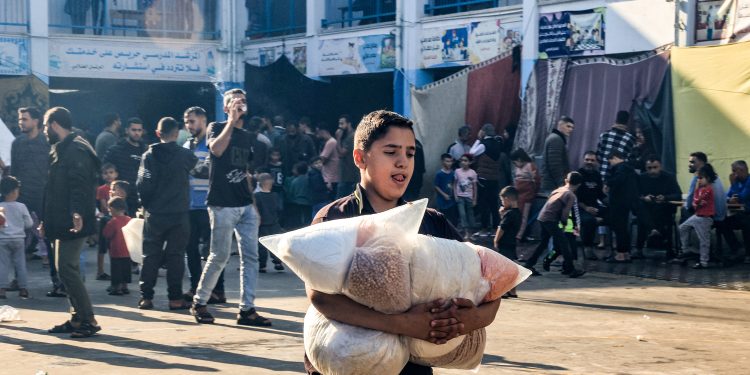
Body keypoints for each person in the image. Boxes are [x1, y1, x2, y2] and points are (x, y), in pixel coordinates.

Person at [304, 110, 501, 375]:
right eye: (391, 152)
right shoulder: (335, 218)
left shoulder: (432, 222)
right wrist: (406, 324)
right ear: (360, 158)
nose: (402, 162)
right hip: (348, 363)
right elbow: (321, 297)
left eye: (410, 153)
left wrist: (470, 319)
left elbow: (489, 282)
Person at [190, 89, 269, 327]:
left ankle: (247, 309)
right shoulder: (217, 127)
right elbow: (216, 150)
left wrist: (254, 205)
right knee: (220, 255)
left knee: (251, 257)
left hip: (245, 205)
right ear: (226, 108)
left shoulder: (248, 136)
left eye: (243, 101)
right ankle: (199, 302)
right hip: (222, 204)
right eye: (235, 102)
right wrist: (231, 123)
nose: (240, 104)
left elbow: (245, 171)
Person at [43, 106, 101, 338]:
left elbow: (80, 186)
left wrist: (77, 213)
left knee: (67, 267)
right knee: (65, 268)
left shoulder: (76, 149)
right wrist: (46, 219)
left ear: (55, 124)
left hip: (74, 220)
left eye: (47, 125)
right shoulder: (61, 149)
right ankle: (77, 317)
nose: (46, 130)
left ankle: (88, 319)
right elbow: (53, 189)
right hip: (60, 219)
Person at [136, 117, 198, 311]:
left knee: (150, 255)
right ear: (177, 133)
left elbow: (142, 185)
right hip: (179, 213)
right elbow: (197, 169)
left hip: (155, 213)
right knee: (176, 256)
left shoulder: (149, 156)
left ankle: (146, 297)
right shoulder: (186, 156)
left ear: (157, 133)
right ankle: (175, 298)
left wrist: (146, 206)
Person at [183, 106, 226, 304]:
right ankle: (195, 287)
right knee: (190, 249)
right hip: (190, 207)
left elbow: (208, 170)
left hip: (210, 205)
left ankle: (218, 290)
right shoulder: (186, 146)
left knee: (213, 251)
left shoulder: (212, 144)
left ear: (203, 120)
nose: (188, 125)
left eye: (192, 121)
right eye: (186, 122)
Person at [10, 107, 55, 294]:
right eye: (20, 119)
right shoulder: (17, 143)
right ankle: (15, 280)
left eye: (25, 119)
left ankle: (57, 280)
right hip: (22, 196)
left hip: (44, 195)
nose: (21, 122)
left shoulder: (47, 141)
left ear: (36, 121)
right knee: (14, 238)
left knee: (51, 237)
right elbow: (14, 172)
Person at [524, 172, 585, 278]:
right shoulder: (570, 195)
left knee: (543, 243)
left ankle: (529, 264)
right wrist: (564, 223)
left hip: (542, 217)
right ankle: (570, 269)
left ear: (566, 181)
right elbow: (565, 213)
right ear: (579, 184)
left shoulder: (558, 190)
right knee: (564, 243)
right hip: (551, 220)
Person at [681, 152, 727, 263]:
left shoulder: (699, 177)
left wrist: (691, 204)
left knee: (684, 212)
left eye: (692, 162)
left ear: (701, 163)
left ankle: (687, 249)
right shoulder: (716, 177)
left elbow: (691, 201)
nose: (689, 164)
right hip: (720, 216)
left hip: (709, 216)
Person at [636, 156, 682, 258]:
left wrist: (665, 197)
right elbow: (635, 194)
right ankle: (654, 230)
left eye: (655, 167)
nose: (652, 170)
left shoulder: (669, 177)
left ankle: (653, 231)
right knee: (641, 208)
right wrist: (644, 198)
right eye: (649, 168)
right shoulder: (641, 178)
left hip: (663, 208)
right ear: (645, 167)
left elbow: (678, 194)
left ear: (660, 166)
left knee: (658, 209)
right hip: (647, 209)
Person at [470, 124, 511, 236]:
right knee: (494, 204)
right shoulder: (498, 143)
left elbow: (471, 153)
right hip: (494, 178)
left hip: (483, 178)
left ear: (484, 132)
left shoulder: (484, 145)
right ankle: (495, 228)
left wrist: (478, 139)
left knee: (484, 204)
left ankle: (484, 228)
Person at [103, 118, 146, 215]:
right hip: (121, 200)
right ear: (127, 130)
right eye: (134, 130)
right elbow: (104, 171)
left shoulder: (146, 151)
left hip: (140, 198)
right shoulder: (115, 150)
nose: (137, 133)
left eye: (139, 130)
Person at [0, 176, 33, 299]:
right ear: (14, 191)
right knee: (20, 264)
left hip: (2, 239)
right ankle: (23, 289)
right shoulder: (21, 206)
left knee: (3, 265)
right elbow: (29, 223)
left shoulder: (0, 206)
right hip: (19, 239)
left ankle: (2, 290)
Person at [679, 164, 717, 269]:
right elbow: (695, 202)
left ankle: (703, 261)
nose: (699, 180)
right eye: (698, 178)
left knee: (704, 240)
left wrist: (697, 202)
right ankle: (686, 250)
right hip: (697, 215)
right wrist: (697, 201)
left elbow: (699, 201)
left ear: (708, 178)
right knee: (682, 228)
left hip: (705, 217)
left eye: (701, 178)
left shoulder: (709, 189)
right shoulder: (699, 189)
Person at [604, 151, 640, 263]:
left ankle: (620, 254)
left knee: (619, 228)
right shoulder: (630, 169)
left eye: (610, 161)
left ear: (614, 158)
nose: (610, 164)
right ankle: (626, 253)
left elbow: (618, 180)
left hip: (618, 203)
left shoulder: (621, 168)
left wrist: (608, 183)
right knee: (624, 229)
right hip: (627, 203)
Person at [576, 151, 607, 258]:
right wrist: (586, 208)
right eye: (587, 160)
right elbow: (574, 197)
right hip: (579, 207)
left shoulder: (597, 175)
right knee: (590, 220)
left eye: (592, 160)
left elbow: (600, 194)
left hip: (594, 206)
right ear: (583, 161)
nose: (589, 162)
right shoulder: (577, 175)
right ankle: (588, 248)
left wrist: (609, 203)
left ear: (596, 162)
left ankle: (616, 250)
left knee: (614, 215)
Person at [493, 186, 521, 298]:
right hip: (512, 243)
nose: (503, 203)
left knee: (502, 268)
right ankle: (512, 291)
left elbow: (502, 228)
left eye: (503, 200)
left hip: (504, 244)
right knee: (511, 268)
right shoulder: (518, 213)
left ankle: (503, 291)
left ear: (508, 199)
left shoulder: (509, 214)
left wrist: (496, 240)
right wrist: (502, 215)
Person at [254, 173, 284, 273]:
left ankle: (262, 265)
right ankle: (277, 262)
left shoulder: (256, 196)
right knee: (275, 243)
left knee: (261, 245)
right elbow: (279, 209)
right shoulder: (275, 196)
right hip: (274, 222)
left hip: (261, 224)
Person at [101, 197, 131, 296]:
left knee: (116, 271)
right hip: (128, 250)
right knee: (126, 269)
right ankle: (125, 286)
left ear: (112, 209)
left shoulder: (113, 222)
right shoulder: (129, 220)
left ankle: (117, 288)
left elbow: (106, 234)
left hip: (116, 251)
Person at [722, 160, 750, 264]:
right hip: (739, 213)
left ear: (742, 170)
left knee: (746, 223)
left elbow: (742, 197)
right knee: (722, 222)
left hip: (748, 213)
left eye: (734, 171)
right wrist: (730, 199)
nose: (732, 174)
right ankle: (737, 249)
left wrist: (733, 185)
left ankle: (748, 254)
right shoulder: (737, 181)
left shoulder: (748, 181)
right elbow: (726, 196)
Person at [509, 148, 540, 241]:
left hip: (527, 196)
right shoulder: (518, 168)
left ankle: (519, 236)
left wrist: (533, 192)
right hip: (517, 195)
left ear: (520, 159)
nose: (515, 164)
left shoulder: (530, 166)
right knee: (517, 214)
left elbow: (537, 180)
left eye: (515, 162)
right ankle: (515, 233)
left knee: (524, 216)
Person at [596, 111, 637, 180]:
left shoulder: (604, 135)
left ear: (616, 120)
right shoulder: (631, 139)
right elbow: (631, 163)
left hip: (602, 176)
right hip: (618, 180)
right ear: (627, 122)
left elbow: (598, 157)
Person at [95, 163, 119, 281]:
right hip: (105, 219)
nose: (109, 175)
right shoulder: (101, 189)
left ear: (116, 174)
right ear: (102, 176)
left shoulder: (119, 188)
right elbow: (104, 207)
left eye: (111, 172)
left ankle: (115, 271)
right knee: (102, 247)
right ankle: (100, 271)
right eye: (105, 173)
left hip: (116, 219)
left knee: (114, 246)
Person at [454, 154, 478, 239]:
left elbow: (475, 187)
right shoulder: (457, 171)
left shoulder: (473, 173)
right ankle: (466, 232)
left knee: (470, 214)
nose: (463, 162)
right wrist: (455, 195)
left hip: (469, 197)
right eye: (462, 160)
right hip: (460, 196)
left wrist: (475, 199)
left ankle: (471, 232)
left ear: (470, 162)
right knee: (462, 214)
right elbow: (455, 183)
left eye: (466, 160)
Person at [335, 114, 359, 198]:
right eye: (339, 124)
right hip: (347, 175)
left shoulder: (351, 137)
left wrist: (337, 138)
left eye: (342, 124)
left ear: (349, 124)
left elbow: (341, 153)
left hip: (349, 176)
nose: (339, 126)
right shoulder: (348, 136)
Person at [285, 161, 312, 230]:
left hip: (297, 202)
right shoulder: (309, 179)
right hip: (308, 202)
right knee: (307, 218)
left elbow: (291, 192)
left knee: (299, 219)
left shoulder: (294, 181)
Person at [433, 153, 458, 226]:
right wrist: (444, 195)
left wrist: (454, 193)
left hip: (451, 199)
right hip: (442, 199)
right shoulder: (439, 174)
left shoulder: (453, 173)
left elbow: (454, 184)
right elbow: (436, 186)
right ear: (443, 162)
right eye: (447, 161)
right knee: (443, 216)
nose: (449, 163)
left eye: (450, 161)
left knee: (453, 217)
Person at [317, 126, 340, 199]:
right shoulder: (332, 142)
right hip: (332, 176)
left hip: (329, 177)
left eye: (319, 133)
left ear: (323, 132)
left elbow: (323, 159)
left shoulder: (331, 142)